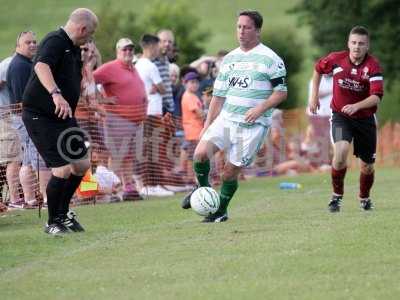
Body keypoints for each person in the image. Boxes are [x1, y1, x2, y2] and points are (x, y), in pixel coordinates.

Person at [181, 10, 287, 222]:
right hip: (226, 120)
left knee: (229, 173)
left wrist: (260, 108)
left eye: (246, 27)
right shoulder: (229, 59)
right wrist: (208, 124)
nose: (241, 31)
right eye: (239, 26)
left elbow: (281, 93)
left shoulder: (271, 59)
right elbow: (218, 96)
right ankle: (203, 192)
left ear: (257, 30)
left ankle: (220, 211)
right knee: (200, 154)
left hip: (253, 126)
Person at [22, 8, 98, 235]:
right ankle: (52, 221)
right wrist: (55, 94)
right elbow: (41, 66)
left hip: (64, 117)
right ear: (82, 28)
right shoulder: (54, 40)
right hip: (40, 116)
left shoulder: (75, 49)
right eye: (90, 34)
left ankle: (63, 213)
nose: (89, 39)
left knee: (82, 163)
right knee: (62, 169)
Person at [309, 26, 384, 212]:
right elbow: (318, 70)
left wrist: (357, 106)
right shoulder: (335, 59)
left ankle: (364, 198)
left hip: (365, 120)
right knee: (341, 152)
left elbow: (376, 97)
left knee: (367, 166)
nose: (357, 47)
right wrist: (313, 96)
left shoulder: (373, 66)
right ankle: (336, 196)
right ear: (348, 43)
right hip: (341, 117)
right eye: (354, 43)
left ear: (367, 46)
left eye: (361, 44)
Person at [93, 37, 146, 201]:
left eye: (130, 49)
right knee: (117, 154)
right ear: (118, 52)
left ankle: (128, 187)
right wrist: (101, 100)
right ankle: (112, 189)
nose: (128, 52)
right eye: (125, 49)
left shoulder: (132, 68)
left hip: (133, 120)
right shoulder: (110, 67)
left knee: (128, 155)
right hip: (117, 119)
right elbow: (88, 81)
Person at [7, 30, 52, 208]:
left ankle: (30, 199)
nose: (33, 44)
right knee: (36, 158)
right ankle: (46, 198)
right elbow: (21, 100)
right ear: (18, 46)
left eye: (35, 41)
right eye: (28, 42)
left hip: (28, 117)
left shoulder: (26, 63)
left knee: (28, 159)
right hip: (25, 118)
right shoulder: (19, 66)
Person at [135, 34, 173, 197]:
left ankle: (152, 184)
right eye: (157, 47)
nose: (159, 50)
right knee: (153, 149)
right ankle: (151, 185)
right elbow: (163, 88)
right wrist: (158, 88)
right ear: (150, 47)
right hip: (152, 113)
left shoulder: (136, 64)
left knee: (149, 148)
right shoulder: (150, 66)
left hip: (145, 112)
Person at [180, 72, 204, 183]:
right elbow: (199, 113)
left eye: (196, 82)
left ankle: (191, 177)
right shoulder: (189, 96)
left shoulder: (194, 95)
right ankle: (192, 178)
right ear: (185, 83)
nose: (195, 84)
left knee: (192, 155)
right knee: (193, 156)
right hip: (193, 131)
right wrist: (210, 115)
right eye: (192, 82)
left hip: (196, 130)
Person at [307, 73, 333, 166]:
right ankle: (322, 162)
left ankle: (327, 161)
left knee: (330, 139)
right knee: (321, 139)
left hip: (329, 114)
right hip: (318, 114)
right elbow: (317, 94)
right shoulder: (316, 80)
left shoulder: (333, 79)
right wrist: (331, 91)